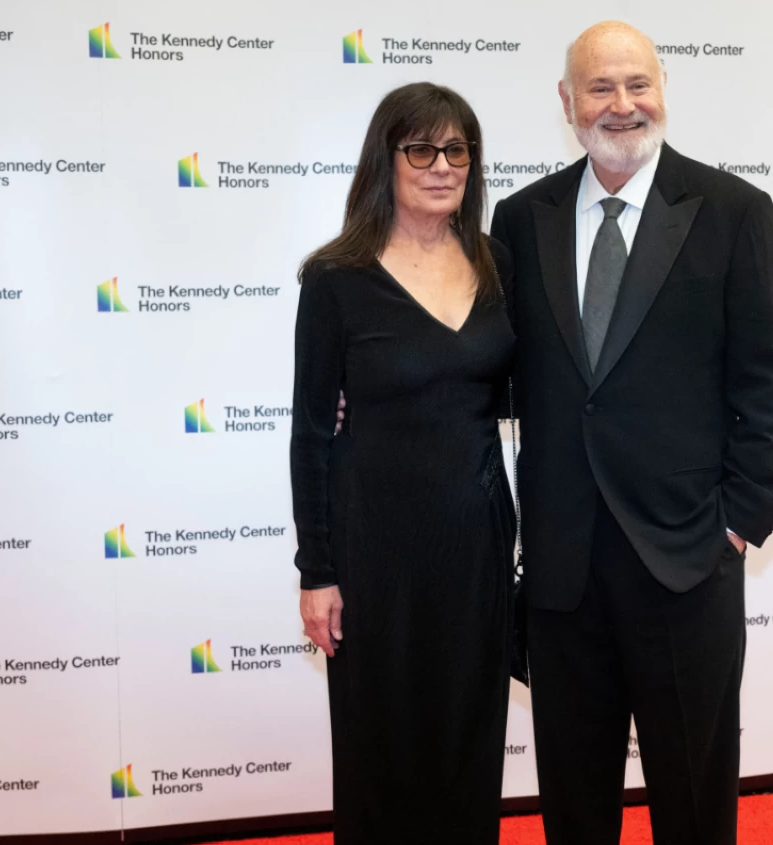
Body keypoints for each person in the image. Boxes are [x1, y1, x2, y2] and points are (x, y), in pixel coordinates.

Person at [489, 21, 773, 845]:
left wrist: (737, 523)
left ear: (663, 88)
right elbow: (491, 368)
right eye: (600, 87)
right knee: (573, 800)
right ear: (567, 102)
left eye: (637, 84)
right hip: (562, 573)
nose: (622, 105)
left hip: (687, 565)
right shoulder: (521, 220)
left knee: (694, 798)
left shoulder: (734, 212)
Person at [290, 82, 516, 845]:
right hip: (372, 549)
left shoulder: (497, 264)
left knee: (467, 734)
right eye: (421, 148)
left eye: (458, 149)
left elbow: (523, 392)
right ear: (385, 159)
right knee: (380, 744)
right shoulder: (336, 278)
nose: (442, 164)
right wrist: (316, 569)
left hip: (477, 544)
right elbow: (312, 433)